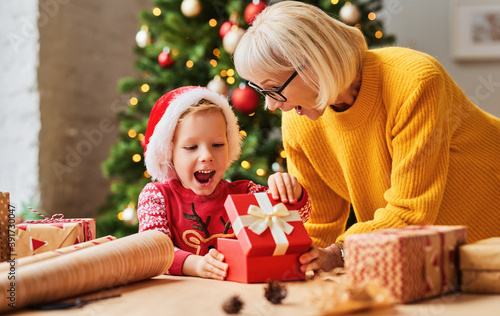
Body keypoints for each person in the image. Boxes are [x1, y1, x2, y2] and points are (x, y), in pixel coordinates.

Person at [233, 1, 500, 275]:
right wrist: (284, 256)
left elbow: (410, 213)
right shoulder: (299, 119)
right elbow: (320, 221)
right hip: (444, 259)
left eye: (273, 89)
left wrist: (341, 253)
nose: (272, 106)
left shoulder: (414, 82)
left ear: (313, 65)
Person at [138, 86, 311, 280]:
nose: (207, 156)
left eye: (218, 145)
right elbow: (152, 250)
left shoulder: (246, 194)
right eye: (191, 147)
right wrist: (195, 265)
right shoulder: (156, 197)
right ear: (169, 152)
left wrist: (290, 192)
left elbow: (300, 218)